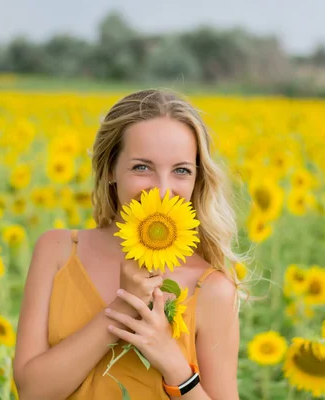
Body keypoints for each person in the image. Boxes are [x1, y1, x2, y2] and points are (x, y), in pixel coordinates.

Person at [13, 89, 242, 399]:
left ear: (197, 179)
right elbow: (32, 393)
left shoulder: (212, 289)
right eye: (142, 167)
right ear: (110, 170)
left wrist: (174, 365)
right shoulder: (57, 250)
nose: (162, 191)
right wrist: (123, 306)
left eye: (181, 170)